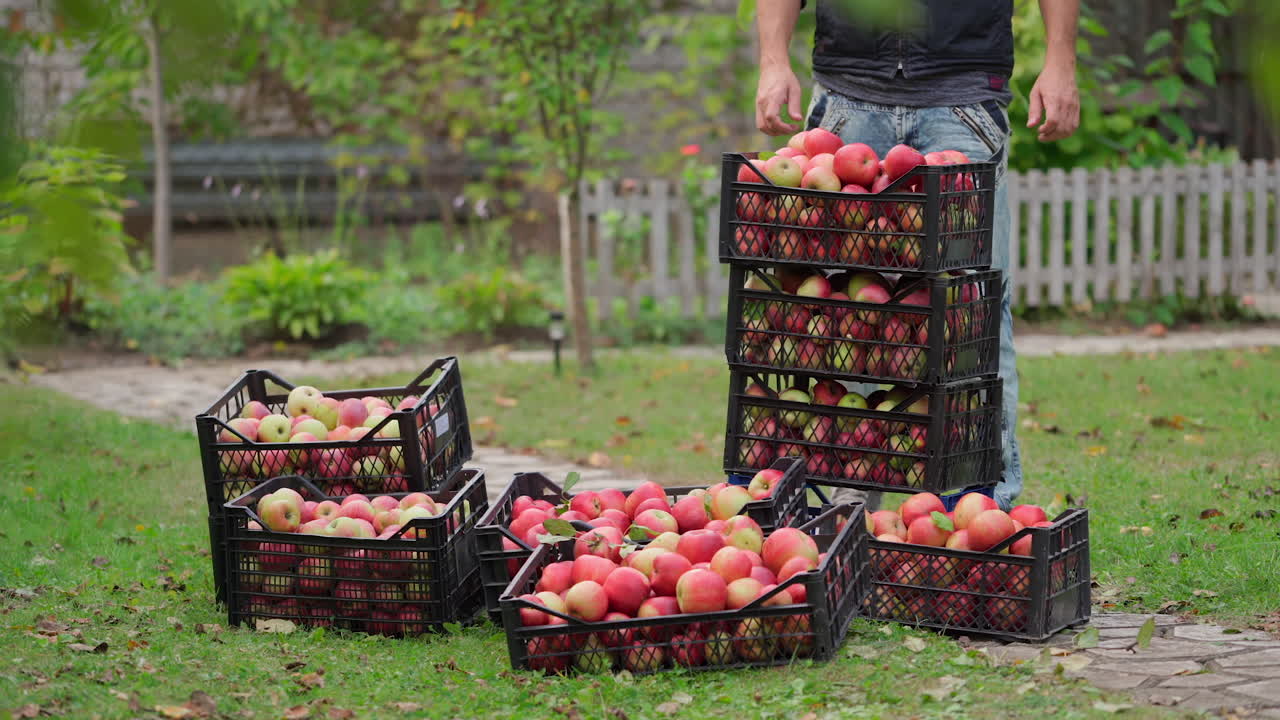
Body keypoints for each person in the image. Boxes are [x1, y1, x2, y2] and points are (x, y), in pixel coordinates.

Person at [754, 0, 1081, 511]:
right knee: (841, 307)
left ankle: (978, 507)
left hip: (962, 101)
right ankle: (851, 492)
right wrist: (773, 60)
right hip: (847, 96)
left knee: (972, 309)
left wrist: (1061, 62)